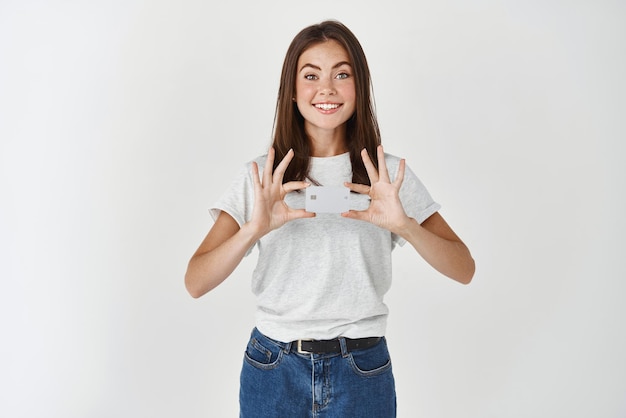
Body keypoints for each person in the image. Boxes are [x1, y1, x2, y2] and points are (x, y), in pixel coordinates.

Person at [185, 20, 475, 417]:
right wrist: (254, 229)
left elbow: (464, 269)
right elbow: (195, 281)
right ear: (292, 90)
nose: (327, 88)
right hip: (274, 368)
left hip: (362, 370)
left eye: (342, 74)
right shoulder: (262, 176)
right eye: (311, 75)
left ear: (360, 87)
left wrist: (404, 225)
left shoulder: (385, 177)